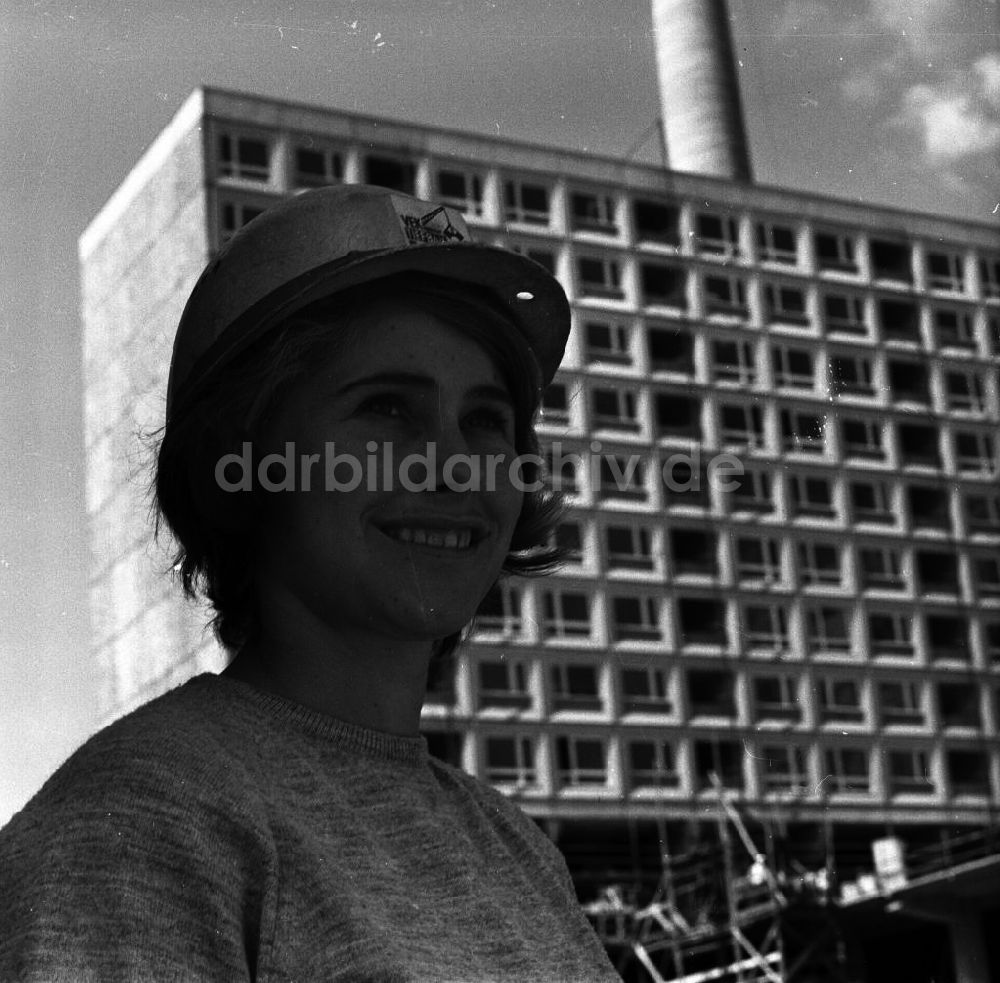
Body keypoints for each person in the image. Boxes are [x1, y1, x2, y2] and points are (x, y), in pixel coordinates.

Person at [0, 184, 622, 982]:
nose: (455, 460)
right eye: (388, 409)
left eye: (486, 419)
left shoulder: (515, 846)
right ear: (246, 454)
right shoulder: (137, 827)